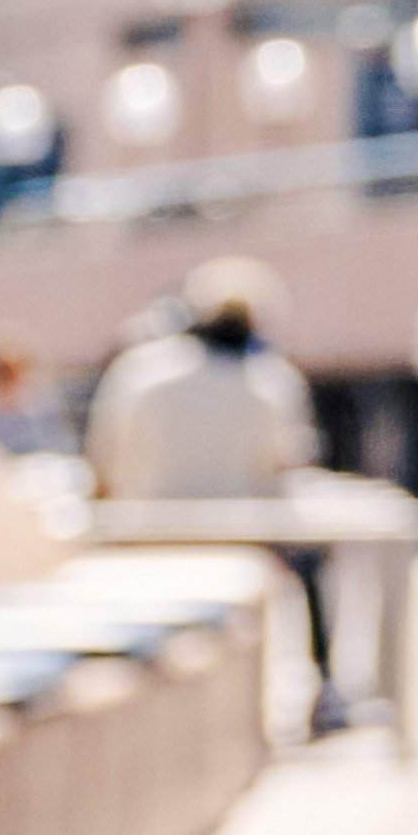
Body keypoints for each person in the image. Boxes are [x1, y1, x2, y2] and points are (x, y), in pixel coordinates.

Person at [86, 256, 336, 705]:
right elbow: (285, 466)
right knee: (312, 567)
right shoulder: (272, 381)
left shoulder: (138, 372)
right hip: (241, 543)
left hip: (145, 536)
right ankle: (325, 686)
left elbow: (103, 464)